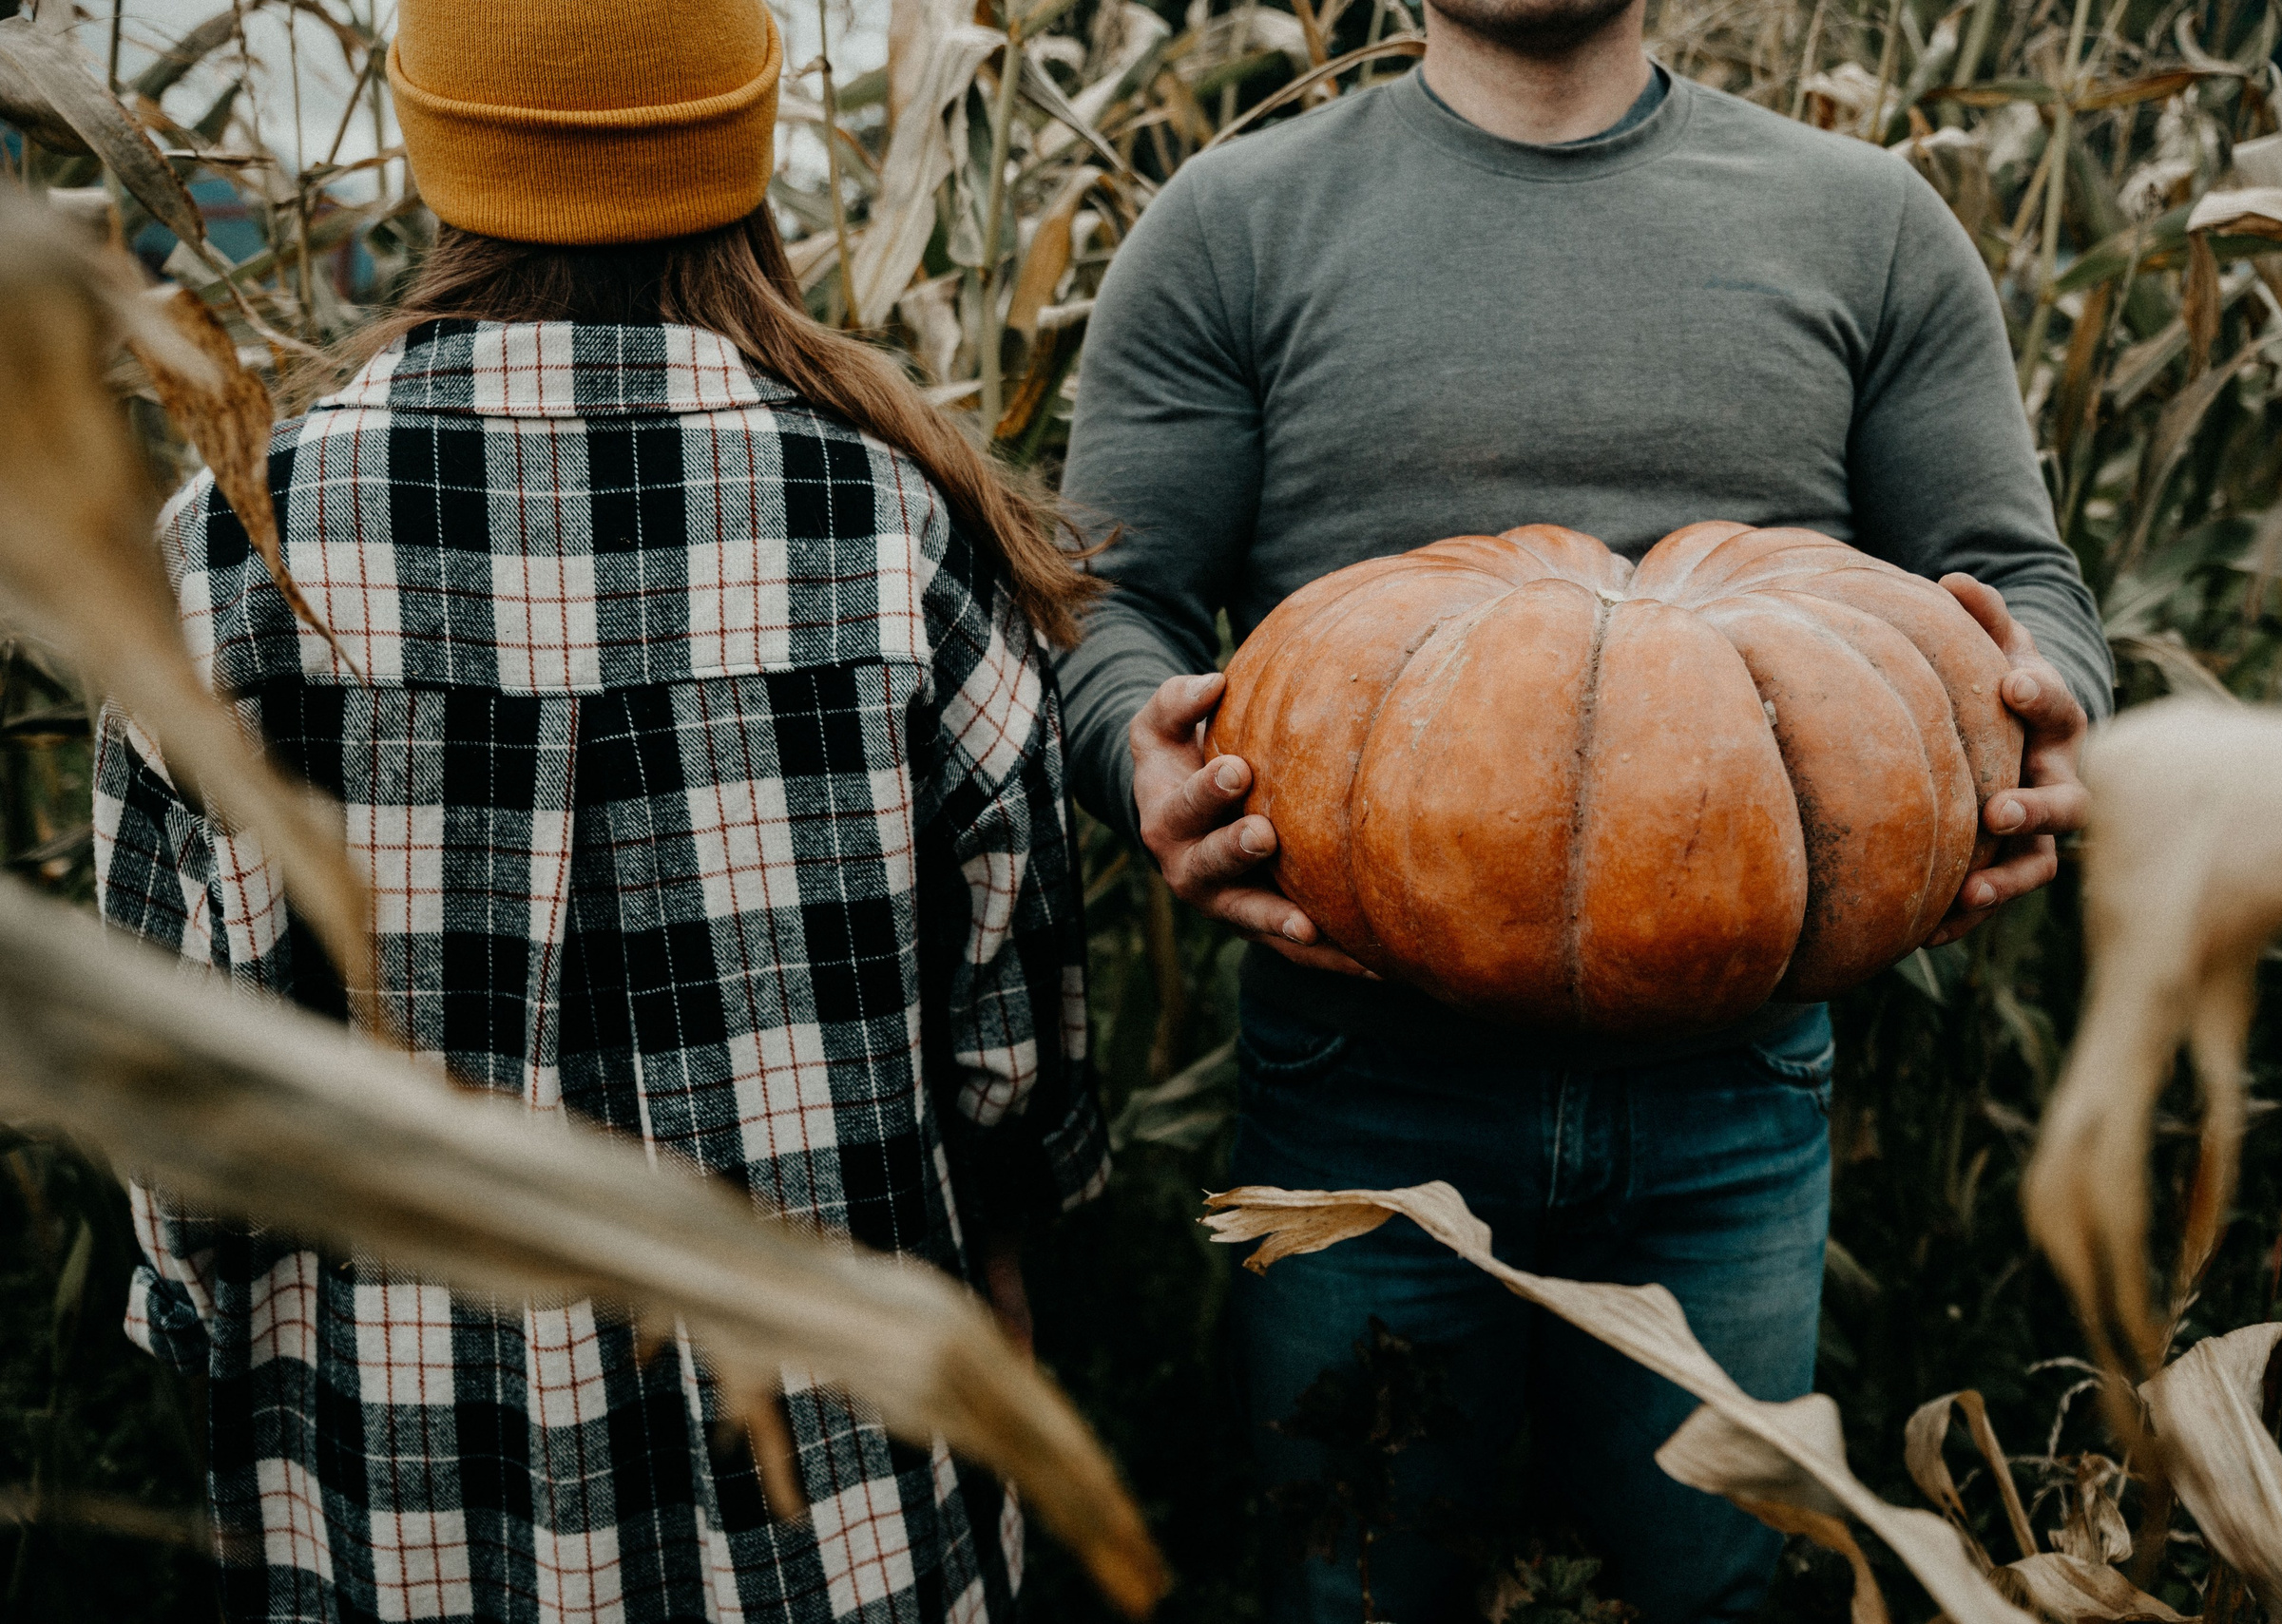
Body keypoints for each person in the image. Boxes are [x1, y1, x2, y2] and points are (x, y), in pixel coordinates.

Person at [1054, 0, 2111, 1614]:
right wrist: (1137, 747)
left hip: (1736, 1089)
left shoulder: (1864, 221)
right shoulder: (1235, 224)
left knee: (1718, 1585)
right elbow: (1105, 604)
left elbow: (2023, 581)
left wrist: (2049, 713)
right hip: (1359, 1083)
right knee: (1348, 1584)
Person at [93, 3, 1104, 1620]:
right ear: (741, 135)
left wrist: (198, 1308)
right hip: (835, 1498)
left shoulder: (227, 555)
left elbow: (169, 1114)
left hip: (392, 1494)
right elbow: (1009, 1053)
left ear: (438, 141)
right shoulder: (887, 521)